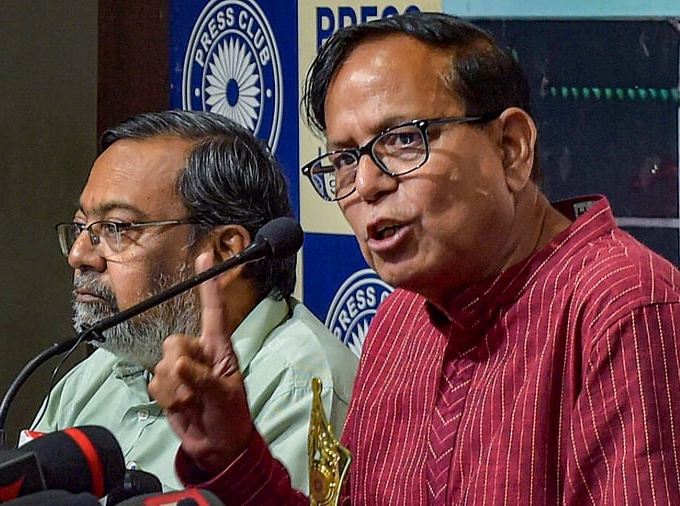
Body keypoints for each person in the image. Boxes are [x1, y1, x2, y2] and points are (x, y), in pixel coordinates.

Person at [148, 12, 680, 504]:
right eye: (344, 159)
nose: (367, 185)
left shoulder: (626, 308)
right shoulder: (398, 322)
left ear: (511, 147)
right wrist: (232, 453)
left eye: (403, 140)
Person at [32, 109, 357, 492]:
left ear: (225, 251)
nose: (80, 255)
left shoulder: (301, 386)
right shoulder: (102, 368)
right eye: (83, 227)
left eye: (116, 229)